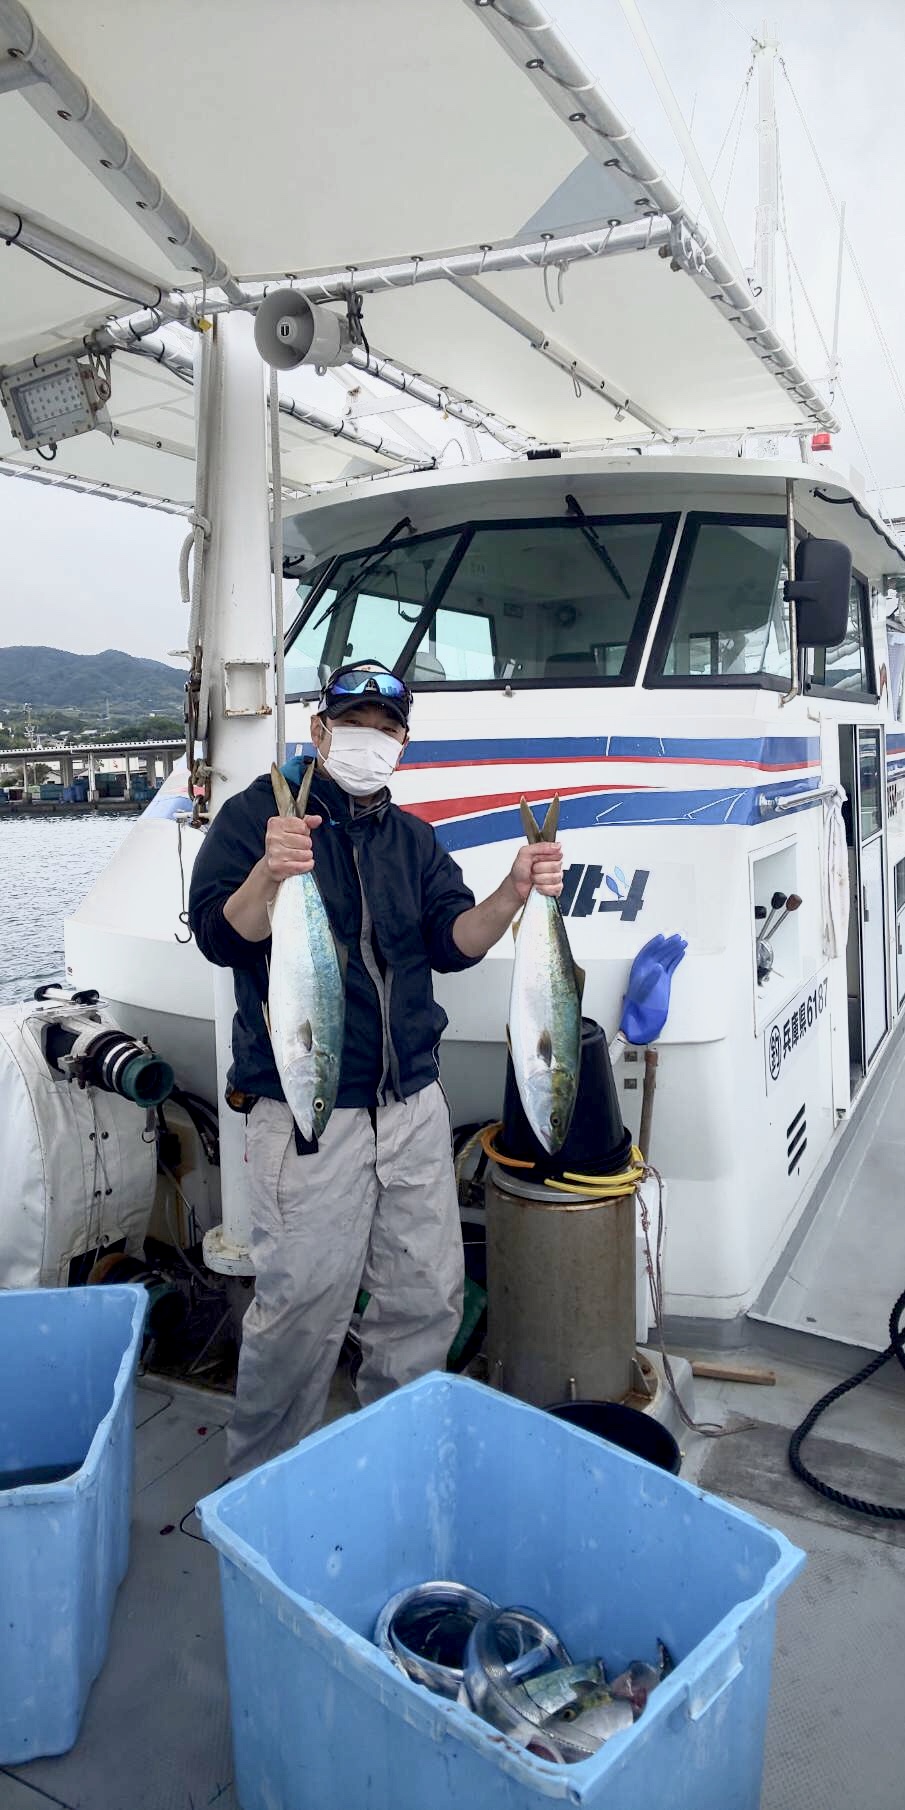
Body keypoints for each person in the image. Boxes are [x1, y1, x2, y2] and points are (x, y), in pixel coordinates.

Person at [188, 659, 563, 1475]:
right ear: (318, 731)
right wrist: (269, 871)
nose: (370, 741)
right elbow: (220, 935)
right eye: (353, 724)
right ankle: (264, 1482)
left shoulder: (412, 839)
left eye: (386, 729)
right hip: (307, 1112)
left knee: (423, 1299)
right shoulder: (256, 818)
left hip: (411, 1106)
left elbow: (452, 943)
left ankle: (396, 1464)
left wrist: (512, 892)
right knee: (301, 1312)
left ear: (403, 744)